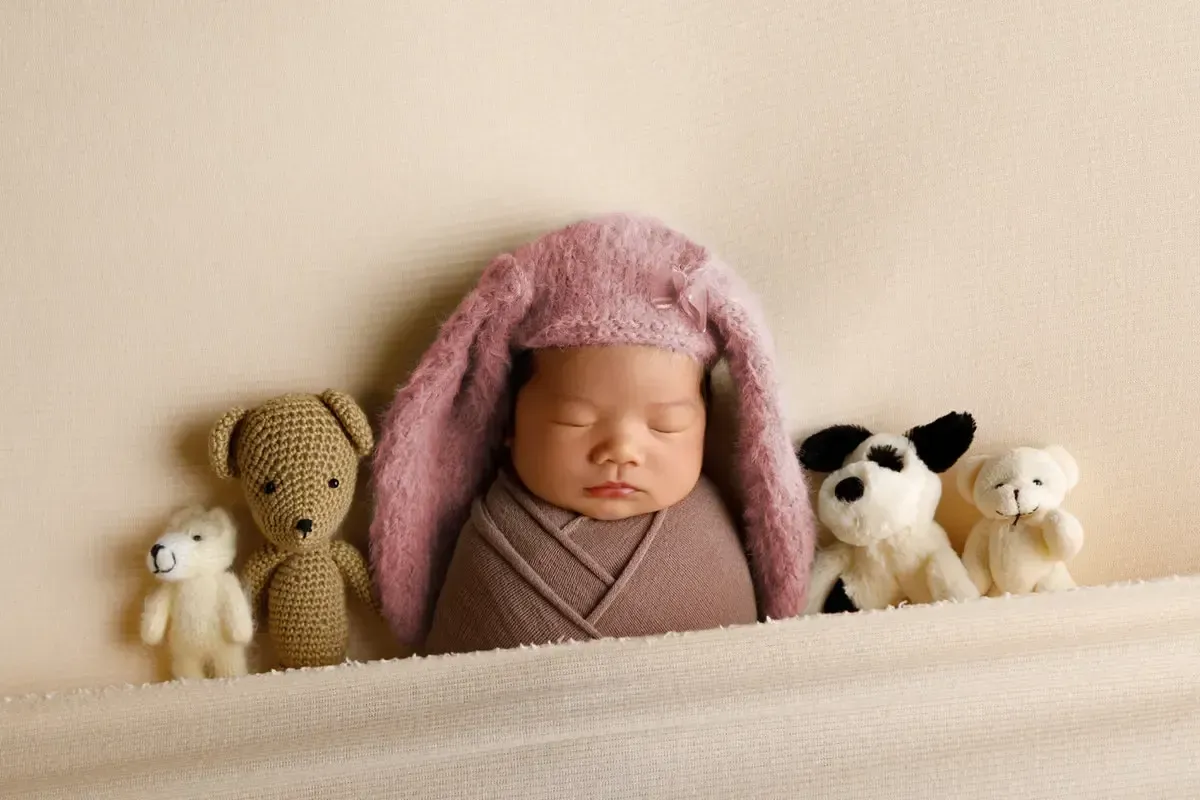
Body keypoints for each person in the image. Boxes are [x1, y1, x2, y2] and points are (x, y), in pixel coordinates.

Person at [369, 213, 815, 655]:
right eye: (575, 420)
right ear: (509, 420)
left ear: (705, 424)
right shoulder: (488, 551)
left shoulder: (713, 547)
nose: (620, 450)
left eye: (666, 425)